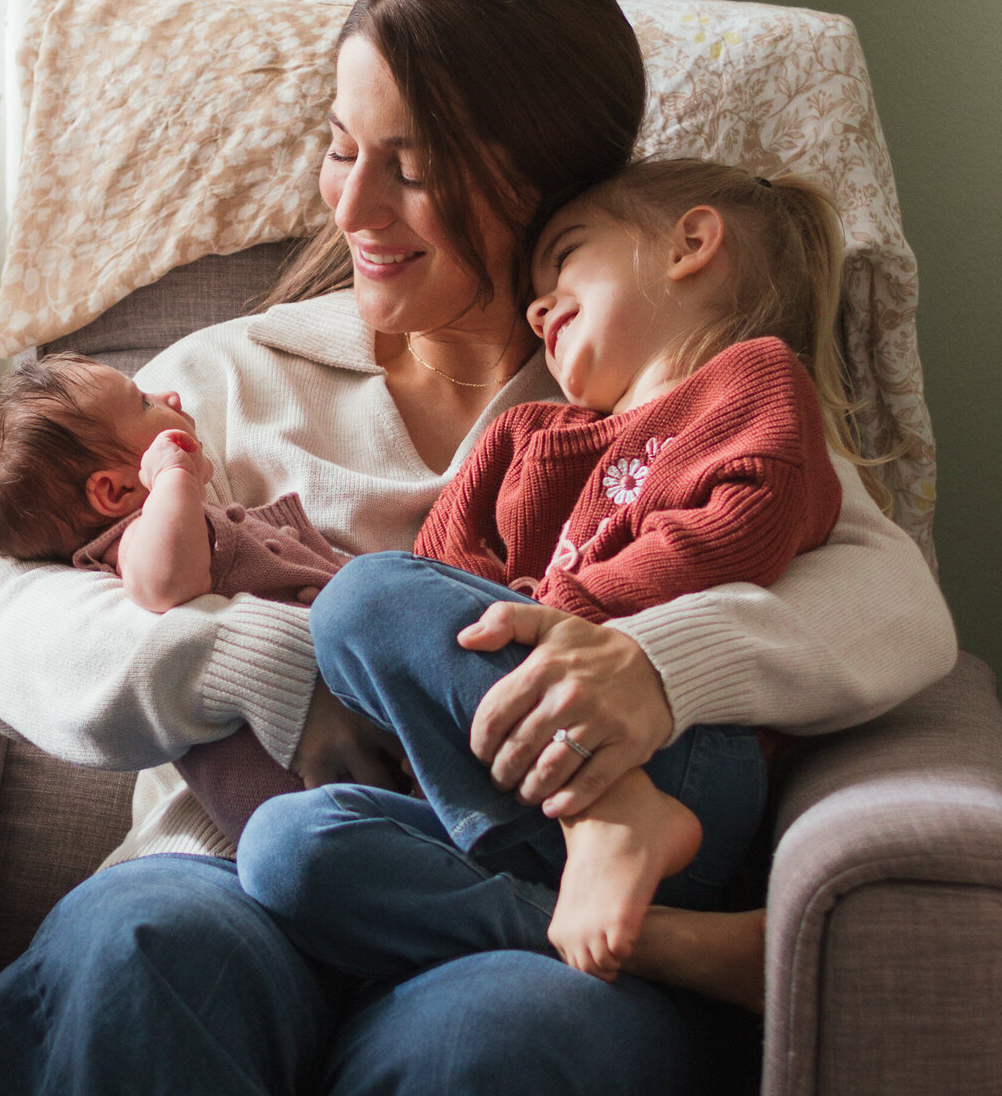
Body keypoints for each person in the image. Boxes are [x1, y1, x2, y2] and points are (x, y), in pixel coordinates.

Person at [0, 0, 957, 1096]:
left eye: (415, 169)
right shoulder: (220, 380)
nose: (356, 206)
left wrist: (655, 668)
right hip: (250, 883)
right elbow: (6, 628)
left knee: (460, 1074)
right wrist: (262, 663)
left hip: (529, 928)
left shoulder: (654, 373)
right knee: (123, 961)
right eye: (342, 149)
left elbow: (896, 601)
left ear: (544, 180)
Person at [237, 159, 851, 987]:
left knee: (361, 596)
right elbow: (440, 580)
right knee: (285, 848)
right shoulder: (523, 436)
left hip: (675, 757)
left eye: (565, 259)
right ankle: (665, 943)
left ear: (692, 245)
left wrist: (561, 612)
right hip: (512, 798)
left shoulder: (751, 382)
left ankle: (616, 811)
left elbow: (753, 520)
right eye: (533, 291)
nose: (537, 307)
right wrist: (488, 633)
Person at [0, 355, 352, 842]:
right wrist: (174, 477)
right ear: (116, 490)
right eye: (145, 403)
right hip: (286, 787)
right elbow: (168, 584)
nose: (171, 396)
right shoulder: (132, 542)